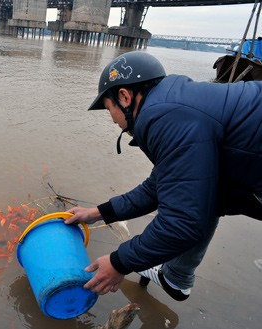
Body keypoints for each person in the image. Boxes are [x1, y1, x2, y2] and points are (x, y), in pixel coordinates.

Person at [65, 51, 262, 301]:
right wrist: (98, 213)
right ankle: (176, 278)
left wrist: (118, 263)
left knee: (196, 203)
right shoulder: (174, 104)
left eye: (108, 109)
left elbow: (181, 221)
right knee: (207, 191)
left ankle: (176, 278)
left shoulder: (164, 117)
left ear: (124, 97)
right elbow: (158, 186)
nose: (113, 120)